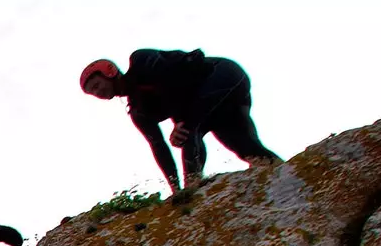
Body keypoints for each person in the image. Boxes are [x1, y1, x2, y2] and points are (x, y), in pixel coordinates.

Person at [79, 50, 281, 195]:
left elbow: (173, 79)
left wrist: (179, 121)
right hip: (215, 103)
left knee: (188, 130)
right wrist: (174, 187)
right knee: (246, 148)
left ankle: (192, 188)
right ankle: (282, 172)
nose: (97, 92)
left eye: (97, 85)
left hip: (223, 74)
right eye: (92, 92)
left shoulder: (141, 61)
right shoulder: (138, 112)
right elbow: (159, 147)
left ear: (110, 71)